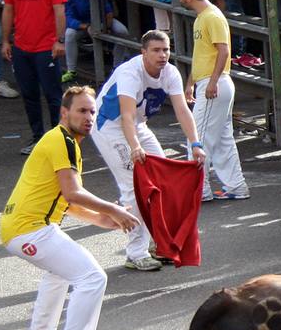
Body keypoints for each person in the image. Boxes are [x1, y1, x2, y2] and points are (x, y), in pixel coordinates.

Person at [0, 85, 140, 330]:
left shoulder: (63, 141)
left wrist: (101, 219)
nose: (89, 117)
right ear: (64, 113)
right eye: (82, 111)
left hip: (22, 227)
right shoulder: (61, 141)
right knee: (92, 277)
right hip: (30, 230)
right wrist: (111, 210)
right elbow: (74, 193)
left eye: (92, 111)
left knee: (61, 271)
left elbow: (64, 199)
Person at [89, 30, 207, 272]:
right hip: (110, 127)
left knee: (162, 181)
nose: (162, 55)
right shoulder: (130, 73)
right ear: (143, 53)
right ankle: (135, 252)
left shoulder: (170, 73)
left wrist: (195, 144)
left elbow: (182, 110)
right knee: (133, 186)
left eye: (165, 50)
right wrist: (135, 147)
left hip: (137, 125)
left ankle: (160, 244)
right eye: (156, 50)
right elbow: (126, 115)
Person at [178, 0, 249, 203]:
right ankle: (235, 185)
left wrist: (210, 82)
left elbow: (224, 51)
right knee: (221, 139)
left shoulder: (211, 17)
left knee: (197, 137)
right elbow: (203, 55)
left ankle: (200, 189)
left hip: (214, 83)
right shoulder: (203, 18)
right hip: (210, 82)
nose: (181, 1)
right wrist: (191, 83)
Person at [1, 0, 67, 154]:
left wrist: (59, 40)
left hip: (46, 47)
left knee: (53, 95)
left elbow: (59, 11)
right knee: (29, 95)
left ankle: (59, 139)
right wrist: (5, 41)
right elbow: (8, 10)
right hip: (22, 47)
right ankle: (38, 138)